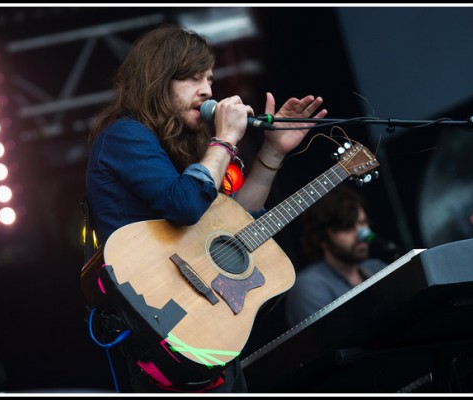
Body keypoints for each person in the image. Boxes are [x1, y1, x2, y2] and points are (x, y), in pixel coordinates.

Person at [84, 24, 327, 393]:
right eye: (192, 78)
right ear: (158, 78)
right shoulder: (124, 135)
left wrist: (273, 151)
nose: (208, 91)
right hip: (162, 340)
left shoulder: (188, 149)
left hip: (203, 336)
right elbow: (185, 203)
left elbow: (233, 225)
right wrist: (226, 138)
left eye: (210, 79)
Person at [284, 185, 389, 328]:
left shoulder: (377, 267)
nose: (361, 234)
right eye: (347, 227)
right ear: (323, 238)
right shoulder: (310, 286)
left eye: (363, 223)